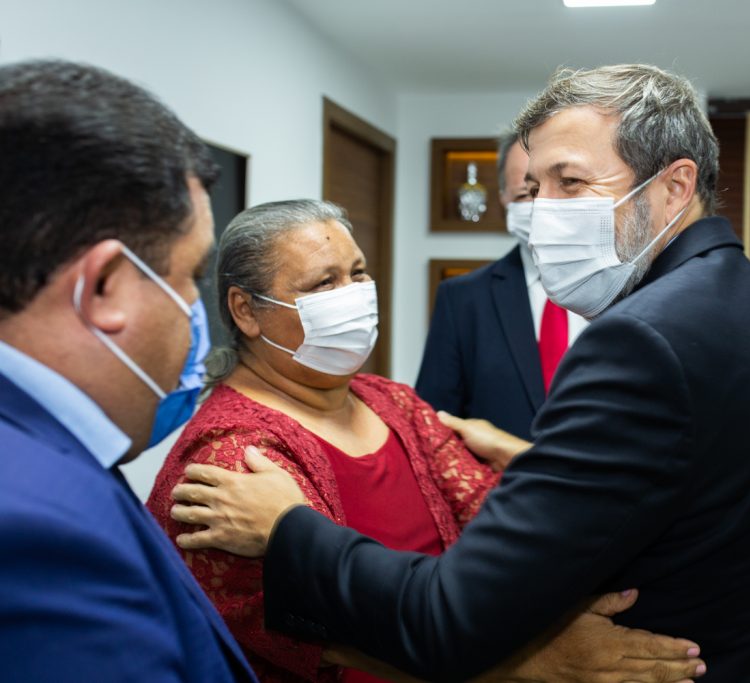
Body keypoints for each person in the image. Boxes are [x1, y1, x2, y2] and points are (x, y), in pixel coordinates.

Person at [170, 64, 750, 682]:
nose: (542, 215)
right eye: (536, 188)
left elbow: (454, 611)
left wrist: (288, 527)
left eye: (571, 182)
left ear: (676, 186)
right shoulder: (749, 303)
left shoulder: (637, 341)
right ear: (245, 312)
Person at [149, 199, 707, 683]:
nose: (354, 295)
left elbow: (493, 523)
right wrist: (534, 661)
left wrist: (563, 610)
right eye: (324, 282)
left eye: (358, 272)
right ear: (246, 311)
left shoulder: (392, 402)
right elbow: (319, 641)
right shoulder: (228, 457)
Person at [0, 60, 255, 681]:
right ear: (107, 287)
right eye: (191, 275)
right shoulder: (36, 537)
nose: (199, 310)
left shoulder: (58, 451)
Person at [416, 131, 587, 439]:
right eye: (526, 193)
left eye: (563, 188)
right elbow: (435, 426)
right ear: (503, 199)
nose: (542, 205)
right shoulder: (462, 299)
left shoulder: (631, 288)